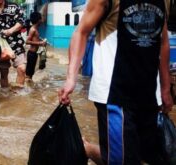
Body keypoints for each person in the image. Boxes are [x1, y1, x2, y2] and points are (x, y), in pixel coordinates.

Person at [58, 0, 173, 164]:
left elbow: (163, 42)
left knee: (146, 157)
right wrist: (71, 78)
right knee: (124, 160)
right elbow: (81, 32)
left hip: (150, 96)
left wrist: (165, 89)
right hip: (114, 95)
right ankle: (89, 149)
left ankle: (88, 149)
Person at [25, 12, 46, 80]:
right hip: (31, 54)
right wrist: (40, 43)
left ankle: (30, 88)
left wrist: (41, 40)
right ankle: (26, 89)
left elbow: (35, 38)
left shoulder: (36, 29)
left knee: (31, 73)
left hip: (34, 54)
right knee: (28, 74)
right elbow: (27, 41)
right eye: (41, 19)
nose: (42, 20)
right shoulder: (33, 29)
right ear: (38, 20)